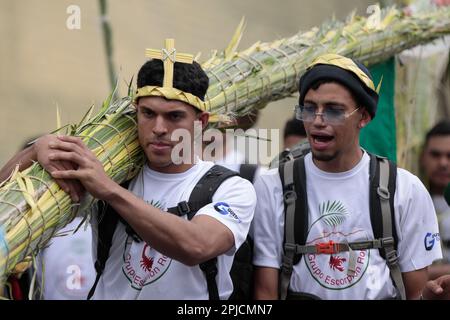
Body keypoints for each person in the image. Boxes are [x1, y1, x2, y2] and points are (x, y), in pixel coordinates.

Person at [0, 40, 256, 299]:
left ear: (200, 122)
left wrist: (110, 191)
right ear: (136, 113)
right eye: (148, 113)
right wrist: (35, 151)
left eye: (174, 116)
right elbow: (7, 203)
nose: (158, 128)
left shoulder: (230, 187)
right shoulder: (113, 172)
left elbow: (196, 246)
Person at [252, 53, 442, 300]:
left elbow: (414, 292)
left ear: (363, 117)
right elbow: (265, 294)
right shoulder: (272, 185)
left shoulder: (405, 189)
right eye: (309, 109)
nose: (318, 120)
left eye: (333, 111)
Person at [420, 120, 450, 279]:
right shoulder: (406, 201)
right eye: (435, 155)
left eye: (449, 156)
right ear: (422, 157)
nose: (443, 163)